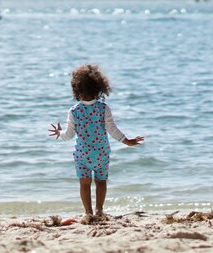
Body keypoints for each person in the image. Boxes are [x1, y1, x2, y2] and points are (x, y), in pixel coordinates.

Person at [48, 64, 144, 224]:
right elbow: (113, 130)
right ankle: (99, 210)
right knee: (101, 182)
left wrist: (59, 134)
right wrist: (128, 141)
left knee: (84, 184)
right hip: (101, 154)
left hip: (82, 155)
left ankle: (88, 213)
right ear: (99, 89)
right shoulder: (103, 108)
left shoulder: (74, 111)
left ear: (76, 90)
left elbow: (68, 135)